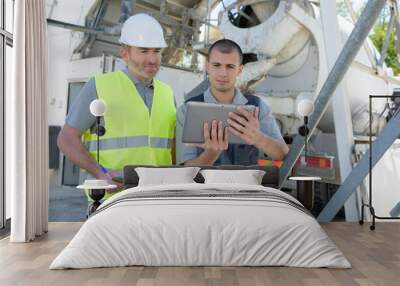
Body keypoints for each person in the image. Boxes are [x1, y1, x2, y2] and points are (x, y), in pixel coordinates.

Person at [57, 13, 176, 199]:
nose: (153, 59)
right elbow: (66, 138)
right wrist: (100, 173)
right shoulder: (99, 86)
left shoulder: (168, 93)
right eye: (144, 51)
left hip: (157, 198)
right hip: (111, 200)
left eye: (157, 51)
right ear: (125, 54)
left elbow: (171, 150)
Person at [177, 39, 288, 166]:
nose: (223, 73)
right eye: (216, 65)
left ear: (240, 70)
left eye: (230, 66)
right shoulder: (187, 110)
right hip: (205, 186)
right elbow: (187, 169)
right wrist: (211, 153)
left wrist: (258, 138)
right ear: (207, 66)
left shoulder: (257, 106)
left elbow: (283, 154)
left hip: (247, 185)